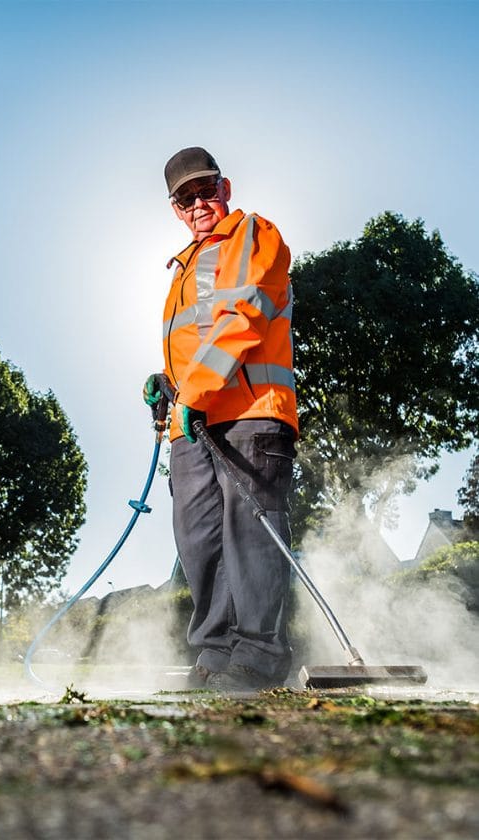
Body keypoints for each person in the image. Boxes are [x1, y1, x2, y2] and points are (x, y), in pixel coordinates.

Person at [144, 147, 298, 691]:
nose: (198, 203)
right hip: (194, 423)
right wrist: (169, 384)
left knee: (247, 529)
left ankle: (256, 656)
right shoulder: (183, 267)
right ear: (175, 208)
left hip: (251, 414)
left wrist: (197, 393)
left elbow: (243, 314)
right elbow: (193, 344)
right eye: (186, 198)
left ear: (225, 187)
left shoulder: (252, 234)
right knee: (198, 536)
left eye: (206, 190)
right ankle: (214, 654)